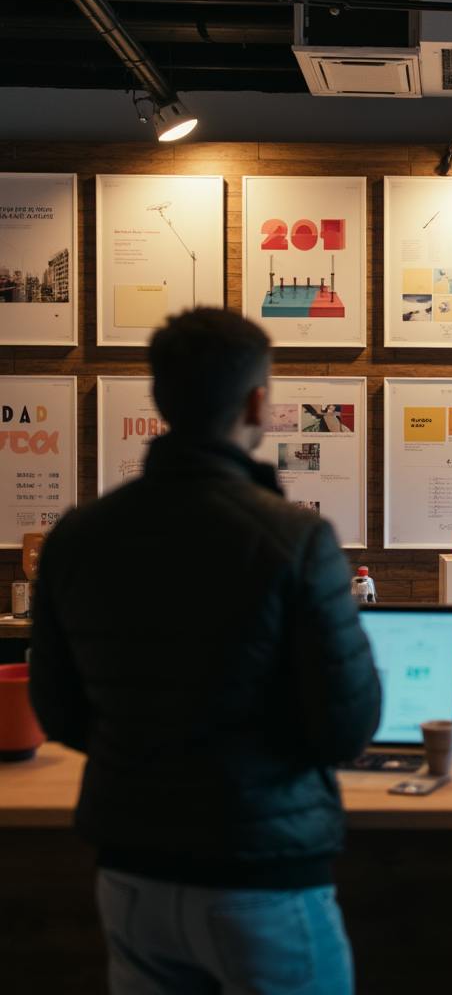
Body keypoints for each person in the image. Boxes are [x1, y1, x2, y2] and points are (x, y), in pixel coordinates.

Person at [30, 308, 381, 995]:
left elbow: (59, 711)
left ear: (159, 399)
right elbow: (345, 726)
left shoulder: (77, 536)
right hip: (260, 875)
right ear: (258, 402)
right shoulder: (296, 539)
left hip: (131, 872)